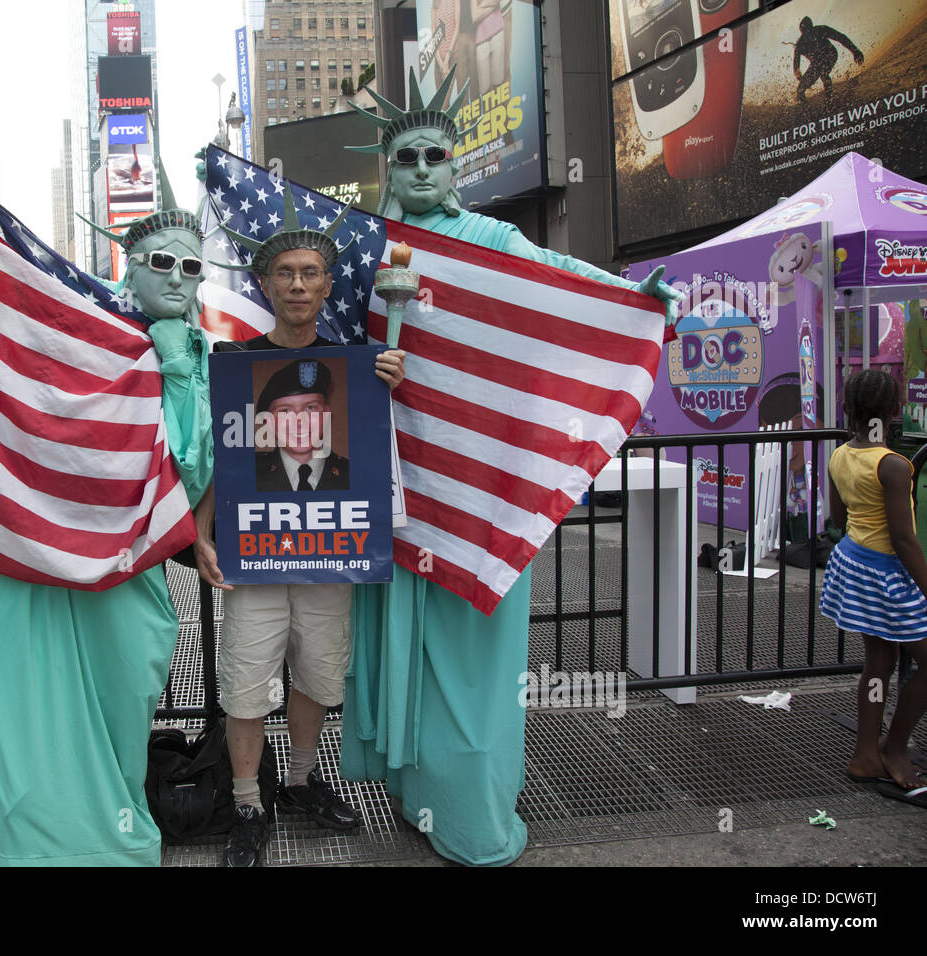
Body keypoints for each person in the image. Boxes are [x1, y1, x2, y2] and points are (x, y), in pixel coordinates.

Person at [341, 69, 682, 866]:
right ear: (388, 169)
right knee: (400, 645)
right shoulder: (362, 250)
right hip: (396, 484)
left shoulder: (496, 244)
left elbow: (565, 280)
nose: (422, 169)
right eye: (407, 158)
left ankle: (473, 815)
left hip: (480, 489)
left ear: (456, 166)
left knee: (479, 656)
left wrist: (632, 294)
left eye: (435, 155)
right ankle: (413, 790)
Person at [0, 132, 214, 862]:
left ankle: (109, 834)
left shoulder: (199, 354)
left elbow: (189, 473)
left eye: (194, 266)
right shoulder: (72, 326)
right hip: (24, 561)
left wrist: (179, 367)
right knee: (21, 724)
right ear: (130, 265)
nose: (180, 278)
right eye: (164, 263)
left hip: (123, 576)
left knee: (118, 716)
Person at [194, 192, 405, 866]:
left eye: (310, 272)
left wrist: (391, 381)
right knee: (249, 679)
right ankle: (250, 800)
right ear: (264, 284)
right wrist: (200, 533)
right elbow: (214, 464)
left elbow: (380, 451)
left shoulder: (362, 367)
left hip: (328, 557)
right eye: (284, 273)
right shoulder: (232, 365)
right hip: (252, 555)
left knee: (318, 673)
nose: (297, 285)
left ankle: (301, 780)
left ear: (327, 283)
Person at [821, 368, 927, 801]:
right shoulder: (895, 465)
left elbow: (839, 519)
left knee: (878, 663)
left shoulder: (840, 455)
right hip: (886, 572)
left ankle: (866, 755)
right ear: (894, 410)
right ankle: (896, 746)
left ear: (849, 409)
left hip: (854, 563)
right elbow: (903, 538)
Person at [253, 359, 349, 492]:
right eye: (285, 411)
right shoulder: (248, 474)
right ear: (268, 421)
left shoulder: (355, 474)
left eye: (310, 408)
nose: (299, 422)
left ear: (326, 413)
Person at [793, 16, 863, 102]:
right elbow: (796, 67)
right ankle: (804, 107)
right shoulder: (800, 45)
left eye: (810, 30)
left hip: (830, 54)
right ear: (802, 32)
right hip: (816, 63)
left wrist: (855, 51)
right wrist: (801, 78)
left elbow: (840, 37)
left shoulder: (821, 30)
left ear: (812, 27)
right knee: (800, 89)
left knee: (823, 73)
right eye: (807, 32)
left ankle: (830, 100)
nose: (810, 33)